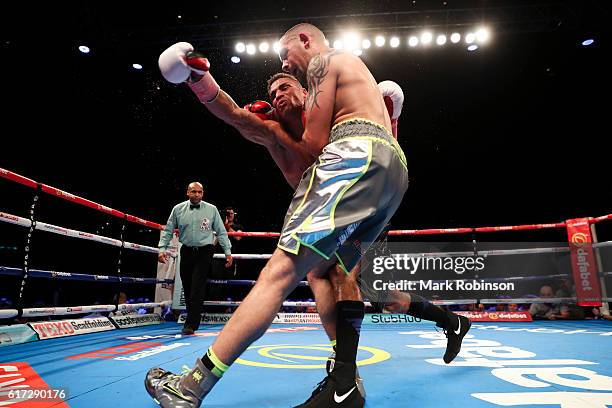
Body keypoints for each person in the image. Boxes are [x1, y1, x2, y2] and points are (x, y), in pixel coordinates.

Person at [148, 25, 466, 407]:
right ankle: (426, 334)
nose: (278, 95)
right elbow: (231, 113)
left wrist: (391, 115)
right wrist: (198, 78)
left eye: (285, 85)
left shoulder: (328, 93)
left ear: (307, 91)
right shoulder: (275, 134)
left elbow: (362, 139)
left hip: (353, 181)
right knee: (343, 281)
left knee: (298, 275)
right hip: (367, 192)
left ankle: (194, 385)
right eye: (271, 93)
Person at [158, 182, 233, 335]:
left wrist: (228, 251)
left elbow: (221, 231)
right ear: (188, 192)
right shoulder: (178, 209)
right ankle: (191, 320)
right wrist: (162, 249)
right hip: (185, 250)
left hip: (205, 251)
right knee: (187, 286)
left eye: (200, 192)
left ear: (203, 193)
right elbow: (168, 230)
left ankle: (191, 324)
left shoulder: (211, 209)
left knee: (197, 287)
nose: (197, 194)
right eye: (194, 192)